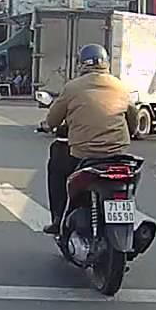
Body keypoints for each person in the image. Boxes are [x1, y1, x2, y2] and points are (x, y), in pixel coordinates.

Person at [41, 44, 139, 235]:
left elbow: (52, 120)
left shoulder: (72, 88)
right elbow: (133, 119)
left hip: (84, 155)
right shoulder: (120, 86)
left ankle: (58, 219)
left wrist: (47, 125)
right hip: (117, 155)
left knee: (57, 159)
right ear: (106, 63)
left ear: (81, 64)